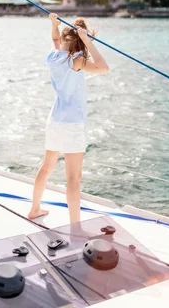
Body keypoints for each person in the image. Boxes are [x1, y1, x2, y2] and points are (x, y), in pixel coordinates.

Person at [28, 13, 109, 224]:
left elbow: (55, 40)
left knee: (47, 167)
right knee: (73, 179)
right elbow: (104, 67)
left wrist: (53, 24)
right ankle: (75, 225)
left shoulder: (53, 57)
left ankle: (35, 208)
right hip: (72, 125)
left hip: (55, 121)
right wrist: (88, 42)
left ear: (64, 39)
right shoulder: (78, 61)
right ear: (79, 42)